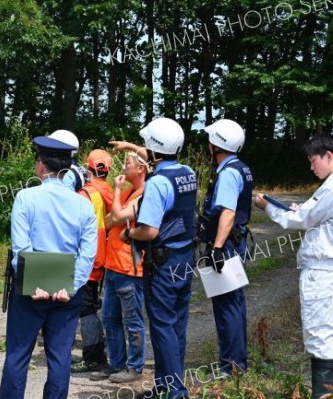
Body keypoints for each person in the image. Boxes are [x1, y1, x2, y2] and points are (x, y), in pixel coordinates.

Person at [0, 135, 97, 399]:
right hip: (66, 290)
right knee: (60, 359)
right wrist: (72, 287)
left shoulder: (25, 197)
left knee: (18, 355)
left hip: (30, 291)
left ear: (41, 166)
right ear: (67, 169)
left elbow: (22, 247)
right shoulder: (84, 205)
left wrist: (33, 282)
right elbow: (88, 254)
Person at [255, 134, 333, 399]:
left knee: (321, 338)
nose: (312, 167)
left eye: (313, 160)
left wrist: (269, 207)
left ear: (329, 156)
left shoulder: (331, 187)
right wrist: (302, 211)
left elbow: (300, 220)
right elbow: (314, 216)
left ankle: (322, 394)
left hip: (323, 273)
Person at [124, 117, 197, 399]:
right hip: (185, 257)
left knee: (162, 326)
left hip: (163, 264)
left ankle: (174, 391)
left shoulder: (156, 184)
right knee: (176, 324)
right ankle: (166, 386)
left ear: (154, 151)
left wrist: (130, 235)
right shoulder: (186, 172)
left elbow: (150, 230)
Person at [90, 146, 150, 383]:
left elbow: (117, 216)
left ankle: (134, 366)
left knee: (132, 320)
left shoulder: (142, 194)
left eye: (127, 162)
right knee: (110, 317)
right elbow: (110, 218)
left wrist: (115, 192)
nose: (123, 166)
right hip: (113, 265)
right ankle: (116, 364)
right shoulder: (128, 193)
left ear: (141, 168)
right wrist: (117, 209)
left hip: (130, 267)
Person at [198, 119, 253, 376]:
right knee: (234, 303)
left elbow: (228, 213)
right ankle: (237, 362)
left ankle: (231, 367)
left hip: (227, 245)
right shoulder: (240, 167)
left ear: (215, 145)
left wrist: (217, 248)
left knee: (227, 305)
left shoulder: (228, 173)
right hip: (234, 243)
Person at [71, 149, 114, 373]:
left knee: (85, 308)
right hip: (104, 256)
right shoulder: (111, 191)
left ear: (87, 168)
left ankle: (93, 357)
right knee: (93, 305)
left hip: (87, 258)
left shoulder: (86, 193)